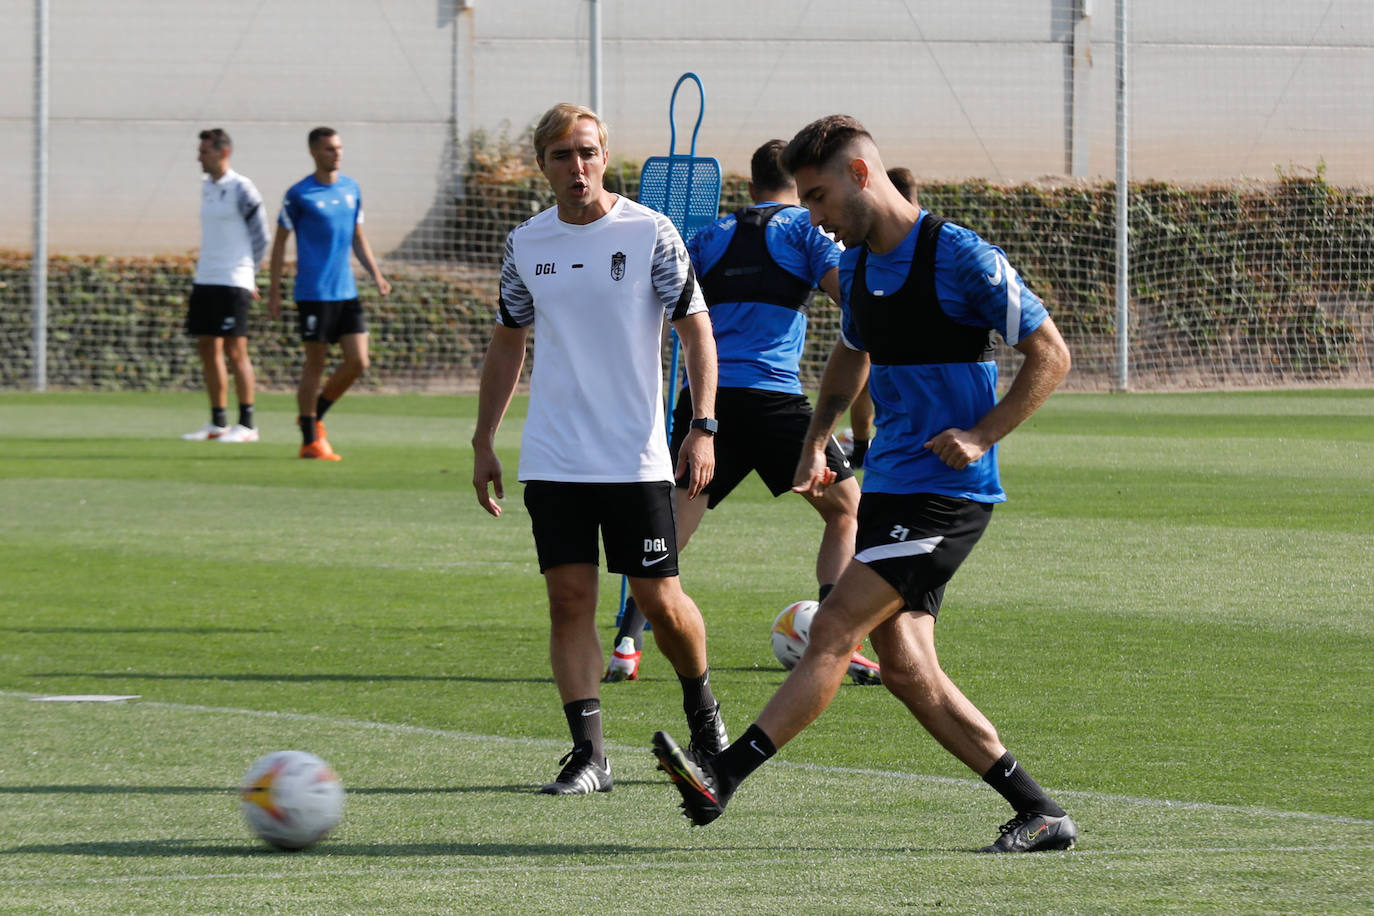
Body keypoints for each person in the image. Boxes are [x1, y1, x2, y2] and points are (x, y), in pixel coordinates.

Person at [652, 115, 1077, 854]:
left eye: (817, 197)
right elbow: (850, 356)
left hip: (948, 494)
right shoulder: (855, 270)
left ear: (859, 174)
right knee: (909, 671)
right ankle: (1040, 813)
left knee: (834, 627)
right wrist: (816, 440)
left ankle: (724, 774)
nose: (812, 217)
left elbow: (1051, 354)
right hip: (891, 488)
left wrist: (982, 435)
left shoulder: (959, 255)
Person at [472, 102, 729, 795]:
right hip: (554, 456)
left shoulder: (651, 232)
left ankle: (705, 716)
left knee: (659, 599)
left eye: (587, 152)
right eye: (562, 155)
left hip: (634, 457)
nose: (577, 166)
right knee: (568, 600)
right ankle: (589, 755)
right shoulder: (526, 243)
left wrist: (702, 425)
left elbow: (697, 330)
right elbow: (508, 341)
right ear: (543, 165)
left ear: (605, 157)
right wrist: (484, 438)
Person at [604, 139, 879, 687]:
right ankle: (839, 642)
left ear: (750, 187)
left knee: (670, 527)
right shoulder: (806, 230)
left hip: (707, 404)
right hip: (775, 401)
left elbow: (661, 306)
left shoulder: (708, 236)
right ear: (797, 186)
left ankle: (627, 644)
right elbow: (851, 299)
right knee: (847, 511)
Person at [268, 127, 391, 460]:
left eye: (338, 148)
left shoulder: (351, 189)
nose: (336, 153)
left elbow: (357, 237)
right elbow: (279, 244)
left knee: (359, 361)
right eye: (328, 149)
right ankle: (310, 441)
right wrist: (274, 291)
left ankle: (314, 414)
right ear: (313, 152)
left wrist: (376, 274)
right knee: (315, 364)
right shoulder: (299, 195)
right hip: (313, 293)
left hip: (346, 291)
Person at [181, 128, 270, 443]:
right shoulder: (207, 187)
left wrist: (250, 275)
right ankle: (218, 423)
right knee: (207, 348)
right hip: (206, 278)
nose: (199, 158)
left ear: (224, 153)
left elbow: (262, 236)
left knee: (236, 350)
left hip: (234, 280)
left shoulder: (242, 188)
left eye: (204, 152)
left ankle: (247, 425)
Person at [839, 166, 915, 467]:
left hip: (882, 336)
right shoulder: (936, 240)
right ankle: (863, 448)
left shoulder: (862, 252)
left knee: (865, 370)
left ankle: (861, 448)